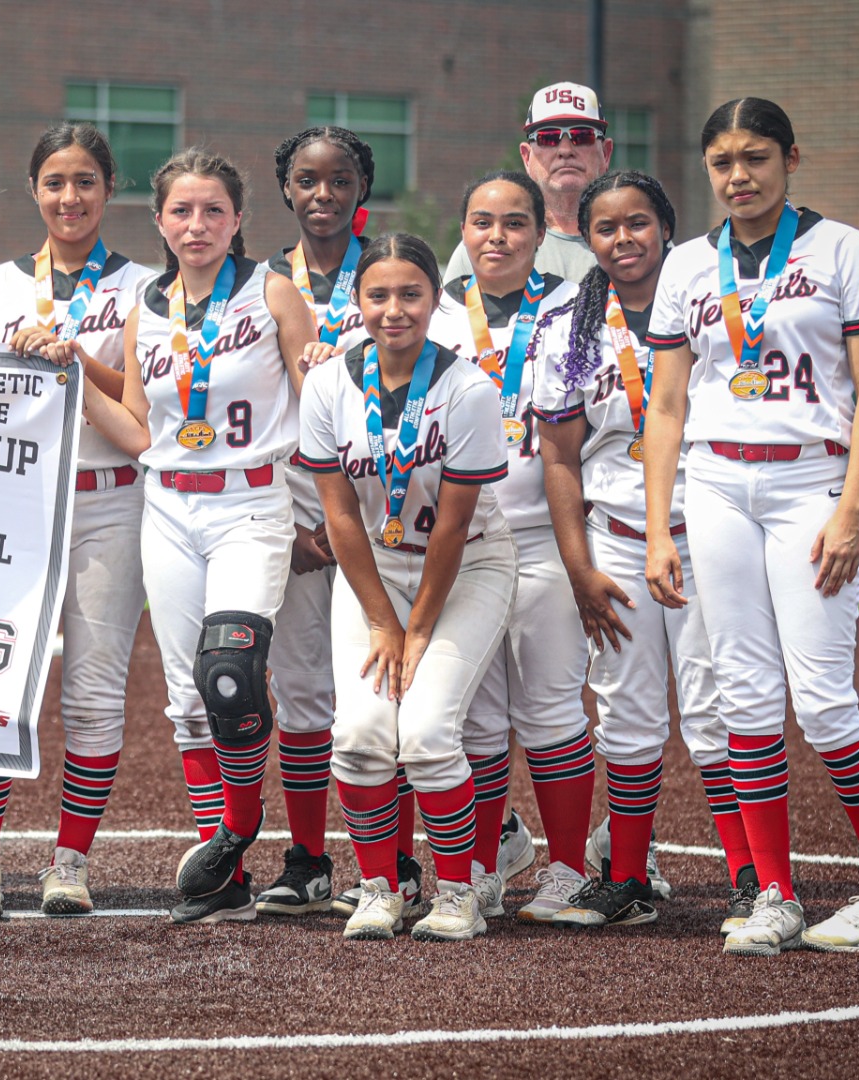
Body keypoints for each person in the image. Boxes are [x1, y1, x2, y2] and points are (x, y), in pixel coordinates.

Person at [642, 98, 859, 956]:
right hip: (718, 484)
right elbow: (664, 404)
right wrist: (662, 526)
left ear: (791, 159)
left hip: (811, 484)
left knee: (826, 702)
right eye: (724, 161)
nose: (740, 175)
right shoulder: (690, 264)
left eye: (757, 157)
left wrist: (851, 509)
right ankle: (774, 894)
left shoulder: (841, 248)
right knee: (745, 699)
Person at [81, 148, 325, 925]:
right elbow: (139, 426)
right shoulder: (144, 308)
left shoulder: (272, 291)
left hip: (252, 503)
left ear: (238, 220)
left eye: (213, 210)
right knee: (190, 700)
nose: (197, 224)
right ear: (159, 221)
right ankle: (224, 869)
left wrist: (326, 507)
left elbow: (315, 400)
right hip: (169, 507)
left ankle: (242, 825)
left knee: (231, 665)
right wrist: (71, 380)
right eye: (182, 211)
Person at [0, 123, 156, 917]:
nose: (70, 198)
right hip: (14, 502)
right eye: (55, 183)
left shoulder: (143, 286)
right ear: (33, 192)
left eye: (87, 182)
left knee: (95, 690)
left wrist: (71, 353)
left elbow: (139, 394)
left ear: (109, 191)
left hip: (108, 497)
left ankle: (69, 862)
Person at [532, 170, 756, 930]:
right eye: (605, 227)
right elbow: (558, 455)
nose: (622, 239)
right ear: (586, 238)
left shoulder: (707, 295)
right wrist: (579, 567)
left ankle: (753, 877)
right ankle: (625, 877)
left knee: (715, 707)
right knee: (625, 711)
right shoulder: (566, 318)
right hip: (618, 536)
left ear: (667, 226)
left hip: (706, 525)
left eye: (638, 223)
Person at [295, 232, 515, 941]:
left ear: (435, 300)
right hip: (374, 572)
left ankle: (456, 894)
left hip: (468, 565)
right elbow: (338, 516)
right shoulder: (329, 383)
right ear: (356, 302)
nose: (395, 310)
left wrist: (416, 629)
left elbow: (452, 529)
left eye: (411, 294)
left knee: (423, 734)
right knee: (358, 733)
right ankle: (380, 888)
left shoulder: (469, 387)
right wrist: (383, 621)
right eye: (379, 295)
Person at [427, 172, 590, 925]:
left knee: (553, 705)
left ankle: (565, 870)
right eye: (482, 221)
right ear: (463, 230)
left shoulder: (574, 307)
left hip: (547, 531)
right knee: (479, 718)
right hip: (465, 536)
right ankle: (485, 867)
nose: (497, 236)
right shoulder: (431, 313)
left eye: (515, 223)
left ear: (538, 234)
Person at [254, 125, 374, 918]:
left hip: (382, 515)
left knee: (377, 694)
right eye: (307, 180)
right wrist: (288, 522)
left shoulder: (395, 275)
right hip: (297, 516)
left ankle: (388, 860)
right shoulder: (258, 284)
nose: (322, 195)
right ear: (286, 189)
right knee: (299, 691)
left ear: (362, 187)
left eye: (338, 181)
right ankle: (307, 860)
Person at [444, 82, 612, 285]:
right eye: (548, 138)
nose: (565, 150)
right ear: (526, 157)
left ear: (605, 153)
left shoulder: (631, 243)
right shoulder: (486, 246)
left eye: (582, 136)